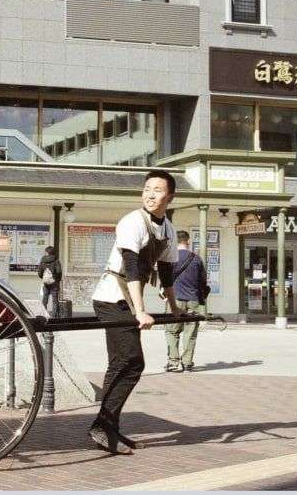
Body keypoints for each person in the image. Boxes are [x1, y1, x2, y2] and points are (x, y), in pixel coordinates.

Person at [87, 170, 183, 455]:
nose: (150, 194)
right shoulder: (132, 222)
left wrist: (175, 307)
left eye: (157, 190)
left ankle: (107, 426)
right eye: (147, 189)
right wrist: (140, 311)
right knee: (130, 361)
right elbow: (131, 267)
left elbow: (166, 273)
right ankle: (103, 426)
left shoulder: (168, 228)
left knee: (124, 364)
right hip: (111, 298)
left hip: (128, 302)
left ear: (170, 196)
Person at [164, 230, 208, 372]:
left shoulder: (171, 258)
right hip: (193, 300)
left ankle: (173, 362)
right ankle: (187, 363)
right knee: (190, 333)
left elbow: (165, 279)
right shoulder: (197, 259)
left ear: (175, 241)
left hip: (174, 299)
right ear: (188, 241)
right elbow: (203, 282)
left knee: (172, 331)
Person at [37, 246, 63, 317]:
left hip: (46, 283)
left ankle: (43, 315)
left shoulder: (42, 261)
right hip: (54, 283)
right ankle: (54, 316)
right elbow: (59, 271)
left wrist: (44, 278)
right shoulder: (56, 261)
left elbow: (39, 273)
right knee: (55, 300)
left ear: (47, 252)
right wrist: (56, 279)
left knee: (45, 299)